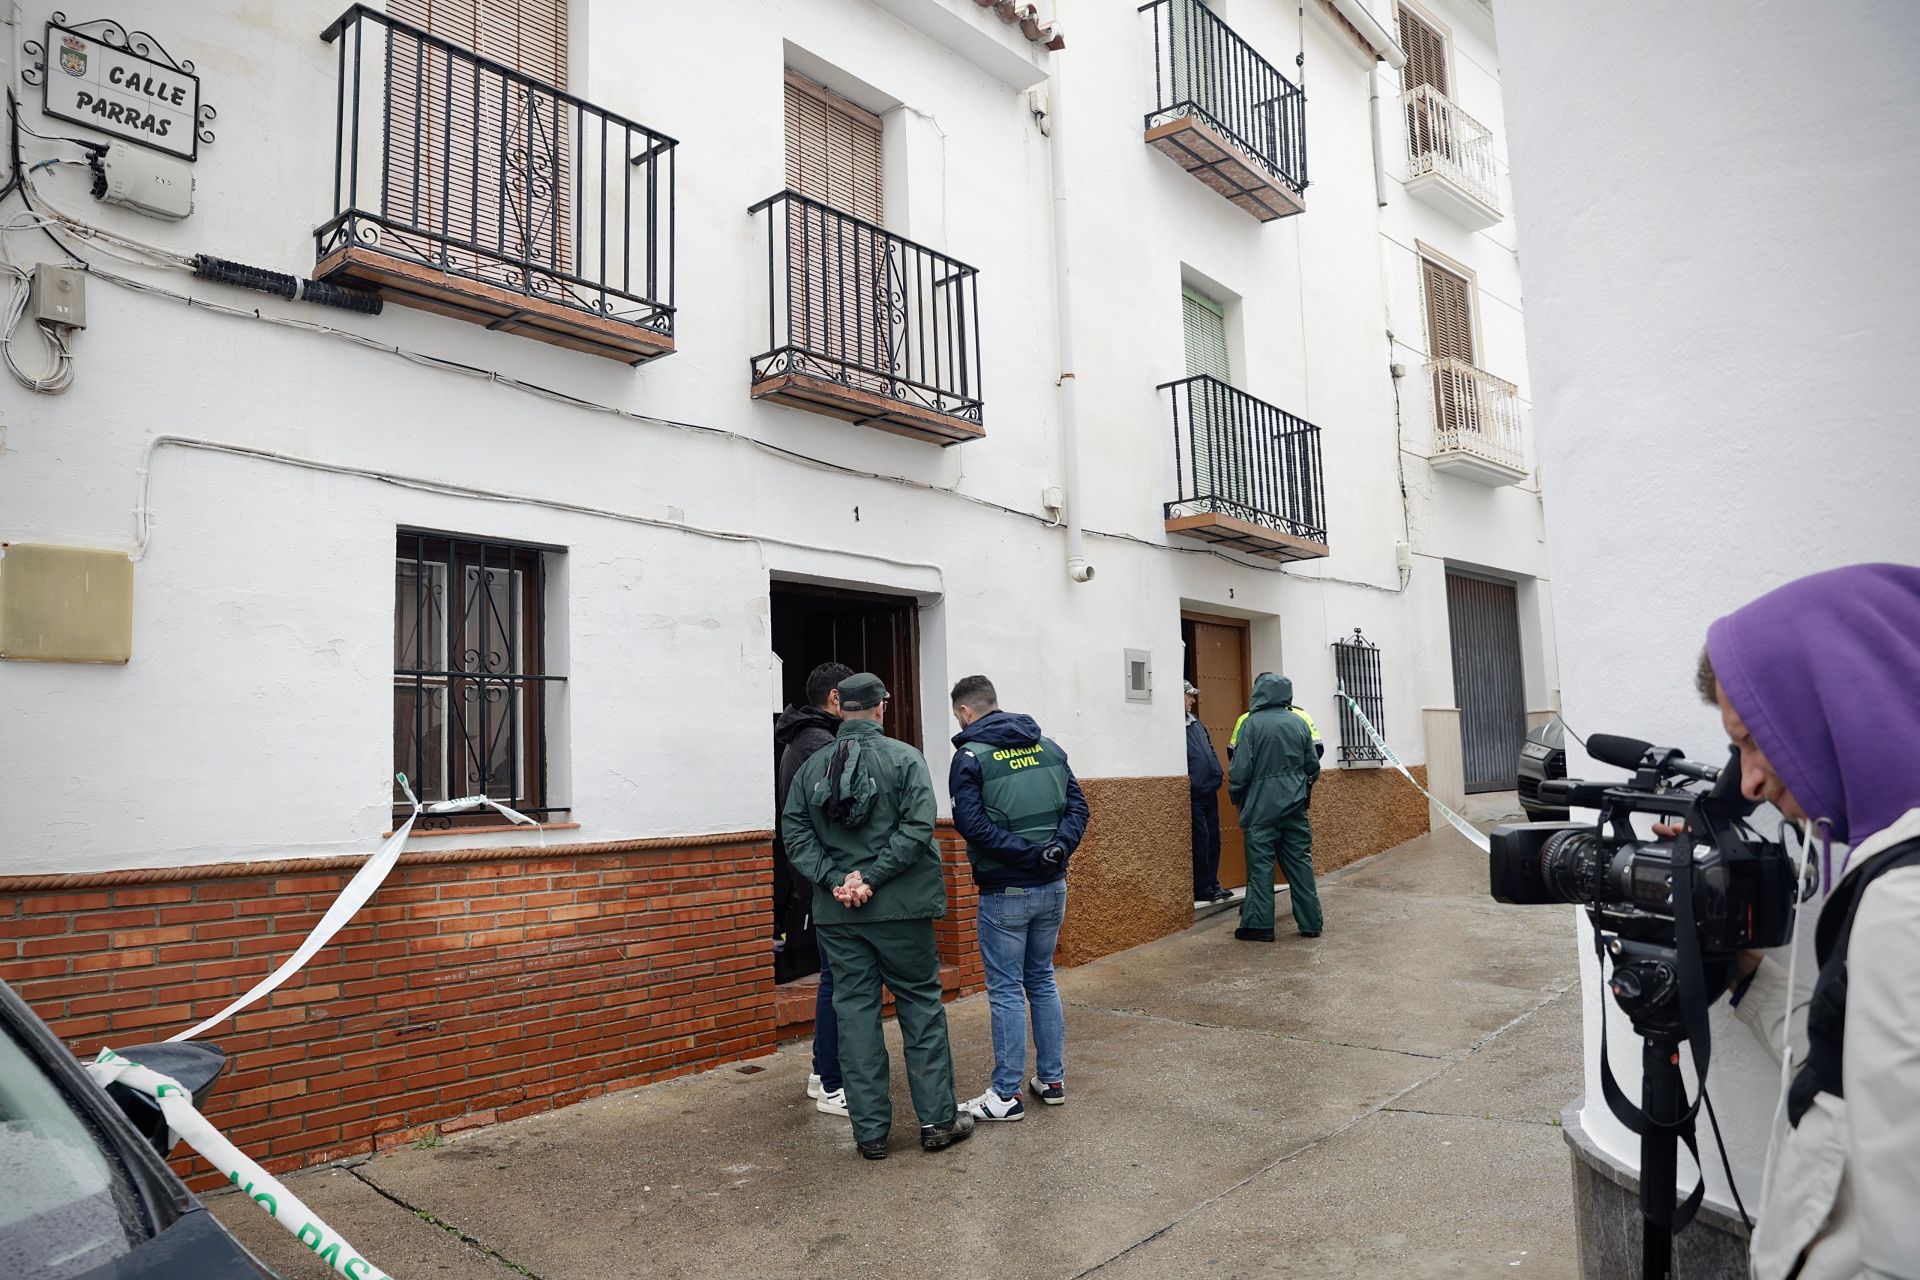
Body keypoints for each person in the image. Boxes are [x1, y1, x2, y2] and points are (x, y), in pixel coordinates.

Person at [1687, 564, 1920, 1279]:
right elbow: (1855, 1083)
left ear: (1835, 705)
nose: (1749, 781)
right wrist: (1751, 978)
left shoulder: (1901, 899)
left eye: (1755, 740)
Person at [780, 672, 973, 1160]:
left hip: (839, 913)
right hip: (901, 910)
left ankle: (870, 1134)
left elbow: (795, 834)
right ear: (882, 708)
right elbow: (917, 828)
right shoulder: (906, 759)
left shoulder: (812, 767)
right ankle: (936, 1120)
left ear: (839, 707)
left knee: (855, 1014)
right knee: (920, 1007)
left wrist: (835, 880)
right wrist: (872, 877)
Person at [947, 675, 1089, 1121]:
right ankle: (1051, 1080)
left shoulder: (970, 757)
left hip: (1005, 892)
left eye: (957, 716)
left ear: (966, 712)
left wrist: (1026, 856)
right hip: (1053, 886)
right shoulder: (1047, 746)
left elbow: (972, 826)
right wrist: (1055, 850)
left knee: (1007, 990)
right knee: (1042, 980)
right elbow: (1078, 808)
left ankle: (1005, 1096)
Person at [773, 660, 854, 1119]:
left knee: (832, 978)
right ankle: (830, 1081)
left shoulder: (806, 739)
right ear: (837, 700)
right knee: (837, 982)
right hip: (826, 880)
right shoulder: (820, 744)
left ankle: (821, 1070)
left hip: (814, 877)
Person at [1228, 673, 1321, 942]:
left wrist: (1238, 798)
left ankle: (1259, 926)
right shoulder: (1299, 723)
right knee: (1300, 864)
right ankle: (1311, 922)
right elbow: (1313, 766)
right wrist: (1299, 788)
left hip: (1260, 810)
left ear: (1258, 693)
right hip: (1295, 809)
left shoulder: (1251, 724)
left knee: (1261, 867)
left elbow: (1240, 771)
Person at [1185, 681, 1231, 904]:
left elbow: (1210, 747)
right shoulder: (1177, 726)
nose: (1193, 700)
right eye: (1189, 696)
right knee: (1201, 840)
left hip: (1210, 791)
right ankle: (1202, 887)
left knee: (1214, 839)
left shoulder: (1195, 723)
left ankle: (1213, 883)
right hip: (1195, 794)